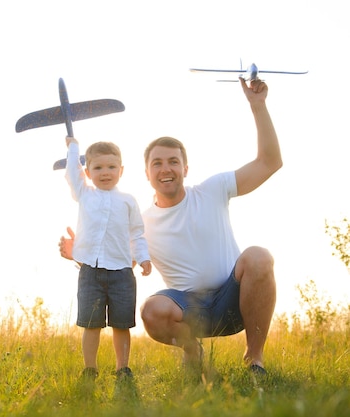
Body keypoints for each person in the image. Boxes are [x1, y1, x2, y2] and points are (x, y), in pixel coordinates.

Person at [59, 78, 280, 375]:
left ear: (185, 169)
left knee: (259, 256)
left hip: (233, 299)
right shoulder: (141, 221)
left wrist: (258, 105)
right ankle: (192, 351)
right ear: (146, 174)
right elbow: (115, 261)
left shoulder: (213, 190)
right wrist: (77, 254)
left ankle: (254, 360)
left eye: (173, 161)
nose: (166, 169)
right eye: (157, 163)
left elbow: (269, 162)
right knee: (152, 310)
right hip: (187, 309)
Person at [64, 136, 152, 385]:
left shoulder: (127, 201)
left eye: (111, 167)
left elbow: (136, 233)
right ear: (88, 172)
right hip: (90, 270)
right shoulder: (85, 195)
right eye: (98, 168)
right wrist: (73, 148)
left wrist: (143, 257)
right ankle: (89, 368)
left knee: (121, 324)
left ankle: (122, 368)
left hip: (122, 272)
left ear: (121, 170)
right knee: (91, 324)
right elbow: (72, 173)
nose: (105, 173)